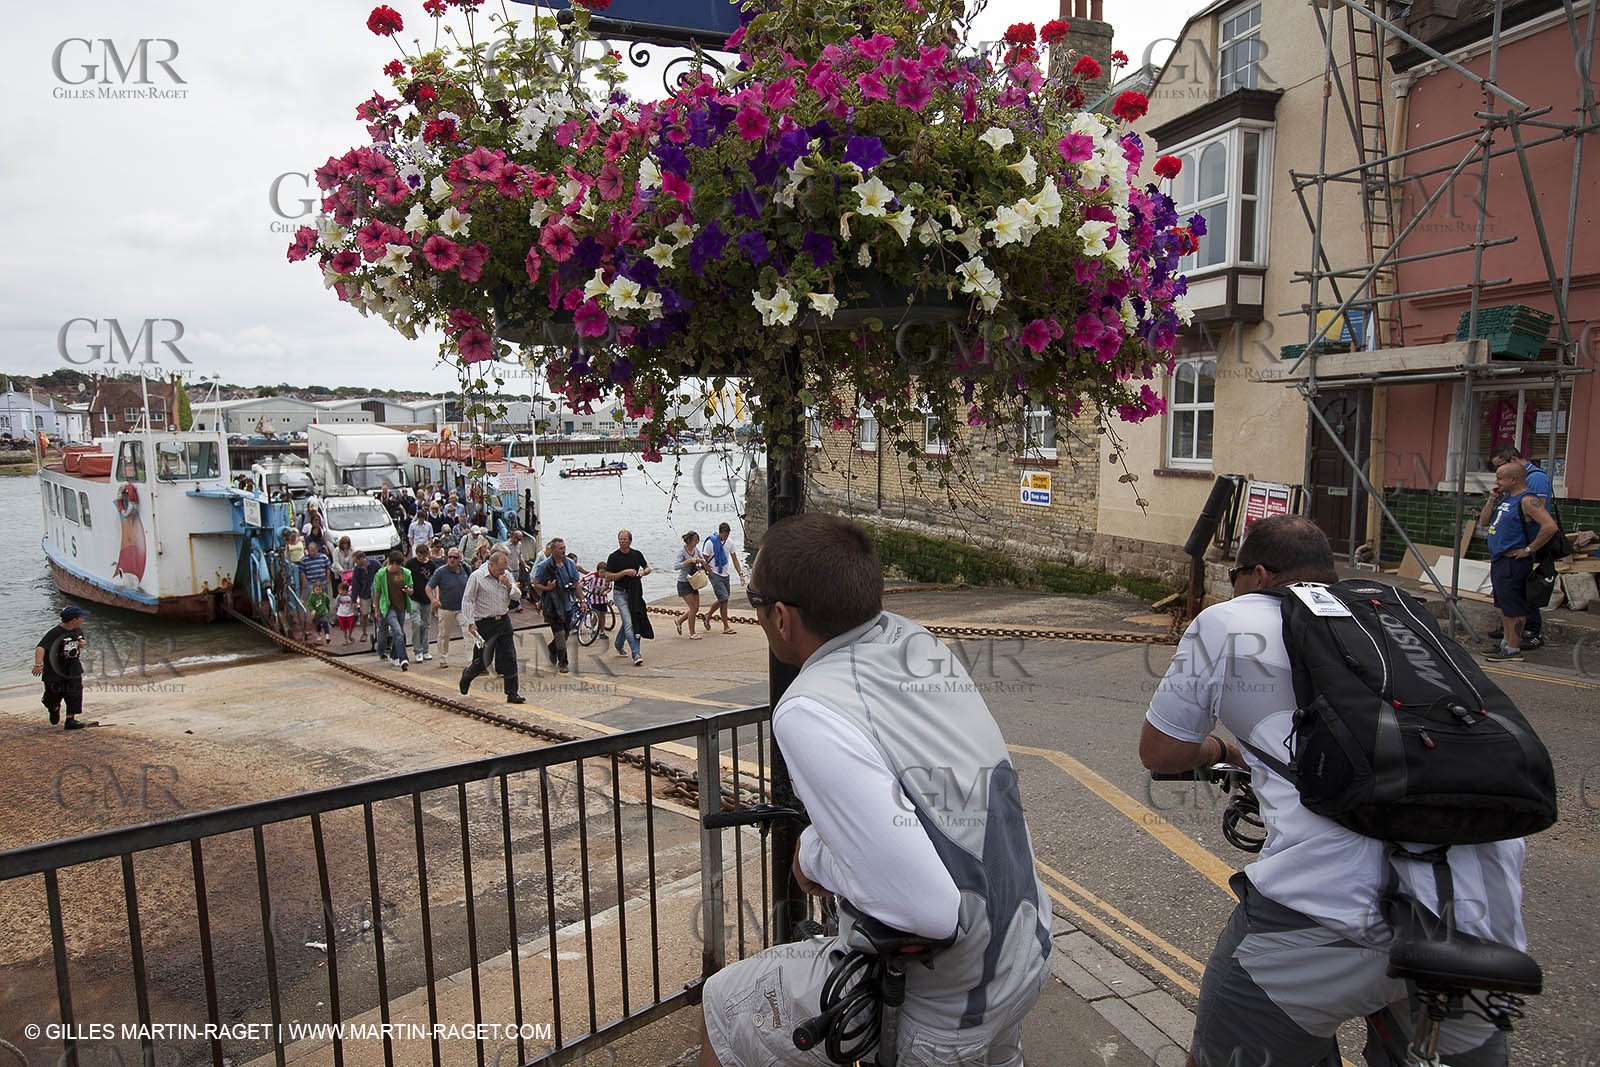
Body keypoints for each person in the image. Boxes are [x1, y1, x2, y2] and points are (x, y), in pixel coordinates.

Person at [1140, 514, 1529, 1067]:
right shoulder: (1396, 618)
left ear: (1256, 574)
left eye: (1234, 577)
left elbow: (1162, 751)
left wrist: (1224, 751)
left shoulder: (1227, 622)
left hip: (1327, 912)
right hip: (1479, 917)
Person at [698, 514, 1051, 1067]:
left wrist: (813, 855)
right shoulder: (916, 642)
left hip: (945, 1003)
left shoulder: (808, 708)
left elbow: (929, 910)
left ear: (782, 618)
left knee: (721, 1006)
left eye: (755, 601)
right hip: (1023, 951)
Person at [1478, 461, 1559, 662]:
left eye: (1499, 478)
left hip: (1514, 562)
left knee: (1515, 607)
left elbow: (1549, 526)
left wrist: (1529, 549)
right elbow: (1484, 521)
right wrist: (1492, 498)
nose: (1496, 482)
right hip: (1500, 559)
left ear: (1513, 479)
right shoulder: (1507, 499)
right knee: (1506, 606)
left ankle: (1513, 649)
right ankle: (1506, 643)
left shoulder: (1528, 500)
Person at [458, 547, 526, 703]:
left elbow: (517, 596)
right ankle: (467, 675)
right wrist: (470, 622)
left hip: (503, 620)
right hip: (485, 623)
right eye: (500, 569)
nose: (502, 572)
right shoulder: (477, 577)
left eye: (504, 569)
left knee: (509, 657)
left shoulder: (506, 576)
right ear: (491, 565)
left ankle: (512, 693)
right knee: (482, 662)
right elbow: (468, 600)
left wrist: (509, 585)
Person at [34, 605, 92, 730]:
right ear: (73, 620)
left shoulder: (78, 630)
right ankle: (53, 707)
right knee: (52, 695)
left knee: (75, 694)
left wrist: (82, 644)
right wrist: (38, 664)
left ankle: (70, 720)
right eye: (81, 617)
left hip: (73, 669)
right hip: (54, 671)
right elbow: (41, 647)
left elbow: (80, 642)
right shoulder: (55, 633)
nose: (83, 620)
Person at [601, 529, 653, 665]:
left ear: (630, 540)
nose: (622, 541)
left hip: (634, 593)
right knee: (630, 622)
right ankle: (636, 654)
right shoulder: (613, 557)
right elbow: (608, 576)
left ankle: (618, 643)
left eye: (625, 539)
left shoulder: (636, 554)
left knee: (629, 621)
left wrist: (642, 573)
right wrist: (624, 573)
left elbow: (648, 568)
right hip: (620, 593)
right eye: (620, 539)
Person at [533, 538, 581, 673]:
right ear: (553, 550)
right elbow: (535, 583)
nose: (563, 550)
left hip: (567, 604)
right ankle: (563, 662)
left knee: (565, 633)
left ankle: (552, 648)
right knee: (559, 634)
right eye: (560, 548)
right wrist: (547, 588)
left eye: (564, 548)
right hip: (553, 605)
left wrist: (582, 600)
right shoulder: (544, 566)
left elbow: (576, 583)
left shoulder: (569, 563)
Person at [427, 546, 470, 668]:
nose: (452, 560)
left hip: (463, 608)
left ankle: (471, 660)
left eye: (455, 557)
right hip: (446, 607)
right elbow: (429, 587)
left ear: (459, 559)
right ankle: (443, 658)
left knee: (469, 633)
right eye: (450, 557)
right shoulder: (440, 572)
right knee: (444, 634)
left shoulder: (466, 569)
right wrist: (434, 600)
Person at [701, 522, 746, 635]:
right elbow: (703, 559)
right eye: (724, 534)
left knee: (724, 598)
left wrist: (740, 573)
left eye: (727, 535)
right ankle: (726, 627)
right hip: (715, 574)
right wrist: (710, 571)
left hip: (725, 574)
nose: (725, 537)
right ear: (720, 532)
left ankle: (708, 615)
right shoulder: (711, 542)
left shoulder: (729, 542)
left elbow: (734, 558)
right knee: (724, 599)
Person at [372, 548, 413, 670]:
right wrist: (377, 609)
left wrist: (408, 590)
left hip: (401, 606)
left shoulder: (406, 573)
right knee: (396, 631)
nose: (399, 567)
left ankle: (395, 655)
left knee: (397, 632)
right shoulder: (381, 574)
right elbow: (377, 592)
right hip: (388, 606)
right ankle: (403, 658)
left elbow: (411, 589)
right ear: (392, 563)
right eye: (397, 565)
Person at [673, 531, 709, 639]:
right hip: (683, 582)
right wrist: (688, 561)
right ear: (689, 541)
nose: (697, 542)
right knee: (692, 607)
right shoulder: (682, 552)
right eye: (695, 540)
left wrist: (700, 561)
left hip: (694, 582)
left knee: (696, 607)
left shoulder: (696, 550)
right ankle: (692, 632)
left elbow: (703, 560)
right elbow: (676, 566)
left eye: (698, 540)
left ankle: (679, 621)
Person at [407, 543, 437, 661]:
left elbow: (435, 582)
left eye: (423, 555)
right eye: (419, 554)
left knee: (426, 625)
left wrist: (435, 598)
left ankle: (425, 649)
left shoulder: (431, 565)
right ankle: (417, 650)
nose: (421, 557)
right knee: (416, 622)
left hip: (427, 599)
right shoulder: (410, 564)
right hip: (414, 597)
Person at [350, 549, 378, 643]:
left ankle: (380, 630)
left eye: (356, 562)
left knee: (379, 613)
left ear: (362, 558)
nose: (356, 564)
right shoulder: (357, 570)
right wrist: (354, 599)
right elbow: (355, 584)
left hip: (376, 592)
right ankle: (364, 633)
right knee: (364, 614)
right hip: (364, 593)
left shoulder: (374, 564)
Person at [334, 579, 358, 645]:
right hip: (341, 614)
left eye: (340, 590)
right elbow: (336, 603)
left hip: (349, 613)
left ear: (345, 590)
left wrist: (355, 607)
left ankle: (349, 635)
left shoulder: (350, 596)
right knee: (343, 628)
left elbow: (354, 603)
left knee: (351, 626)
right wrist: (338, 597)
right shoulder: (339, 597)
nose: (339, 592)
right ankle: (345, 638)